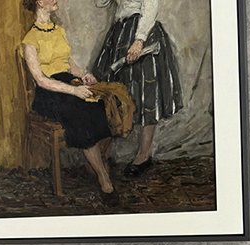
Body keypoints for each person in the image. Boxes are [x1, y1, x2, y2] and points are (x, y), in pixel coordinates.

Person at [21, 0, 118, 205]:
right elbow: (41, 80)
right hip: (49, 94)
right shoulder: (30, 40)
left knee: (104, 105)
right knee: (80, 113)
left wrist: (84, 76)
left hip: (69, 83)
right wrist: (74, 90)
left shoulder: (59, 30)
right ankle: (104, 179)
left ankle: (95, 162)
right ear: (39, 2)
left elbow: (69, 63)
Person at [92, 0, 183, 176]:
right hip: (120, 33)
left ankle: (143, 155)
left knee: (146, 94)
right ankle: (106, 152)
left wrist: (140, 40)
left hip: (142, 33)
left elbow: (150, 5)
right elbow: (101, 3)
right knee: (113, 92)